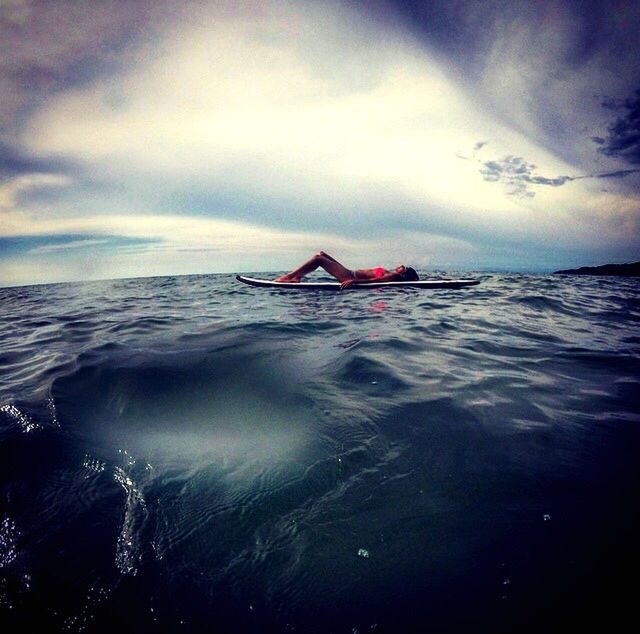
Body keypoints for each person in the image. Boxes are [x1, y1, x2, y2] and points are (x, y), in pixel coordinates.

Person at [276, 251, 419, 289]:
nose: (401, 265)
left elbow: (376, 280)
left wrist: (354, 282)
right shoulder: (391, 273)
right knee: (322, 254)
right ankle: (296, 277)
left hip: (349, 276)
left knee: (318, 259)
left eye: (403, 267)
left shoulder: (393, 275)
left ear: (403, 273)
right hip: (350, 273)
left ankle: (291, 277)